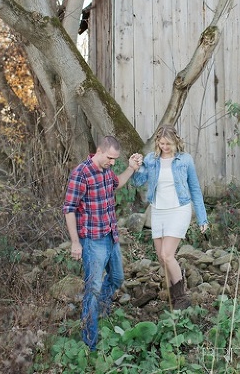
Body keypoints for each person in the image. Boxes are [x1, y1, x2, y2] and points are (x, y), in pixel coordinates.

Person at [63, 136, 141, 351]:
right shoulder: (81, 173)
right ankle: (90, 343)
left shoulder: (107, 170)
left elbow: (116, 183)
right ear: (99, 151)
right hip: (92, 241)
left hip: (110, 235)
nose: (112, 162)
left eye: (115, 159)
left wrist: (131, 168)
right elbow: (69, 209)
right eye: (110, 158)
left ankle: (98, 311)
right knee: (93, 289)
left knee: (117, 278)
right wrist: (75, 243)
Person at [131, 124, 209, 310]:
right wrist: (136, 167)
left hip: (179, 209)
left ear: (175, 142)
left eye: (168, 144)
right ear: (157, 142)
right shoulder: (151, 159)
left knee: (167, 254)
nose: (165, 147)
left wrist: (202, 218)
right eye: (162, 143)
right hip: (158, 210)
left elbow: (195, 189)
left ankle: (182, 298)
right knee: (161, 257)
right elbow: (138, 182)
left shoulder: (185, 160)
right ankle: (175, 295)